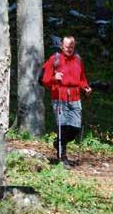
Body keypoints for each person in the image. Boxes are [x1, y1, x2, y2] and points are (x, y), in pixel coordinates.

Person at [41, 36, 92, 168]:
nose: (69, 49)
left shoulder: (78, 60)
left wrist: (85, 87)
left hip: (75, 97)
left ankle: (58, 142)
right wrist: (54, 78)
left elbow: (82, 78)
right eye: (67, 46)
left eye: (72, 47)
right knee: (62, 126)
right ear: (61, 46)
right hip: (59, 96)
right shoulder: (55, 59)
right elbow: (44, 80)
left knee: (76, 127)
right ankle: (63, 156)